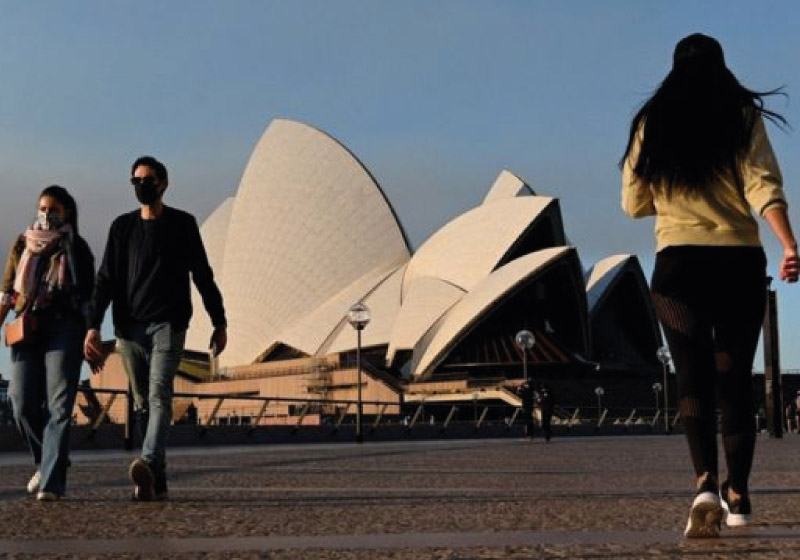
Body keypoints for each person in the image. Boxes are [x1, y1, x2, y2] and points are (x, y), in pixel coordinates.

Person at [621, 33, 799, 538]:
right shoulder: (741, 115)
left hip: (678, 266)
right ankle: (738, 492)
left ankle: (704, 482)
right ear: (724, 68)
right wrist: (789, 245)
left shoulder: (652, 123)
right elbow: (763, 185)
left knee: (692, 380)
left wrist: (678, 200)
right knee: (735, 381)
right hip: (738, 264)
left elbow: (633, 204)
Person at [84, 156, 227, 501]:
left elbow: (203, 275)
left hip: (169, 323)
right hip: (129, 327)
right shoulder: (122, 228)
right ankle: (155, 479)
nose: (141, 185)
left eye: (147, 179)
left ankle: (147, 460)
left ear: (163, 183)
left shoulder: (183, 224)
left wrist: (219, 321)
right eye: (135, 180)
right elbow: (105, 279)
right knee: (142, 404)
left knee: (160, 393)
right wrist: (92, 327)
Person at [0, 186, 95, 501]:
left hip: (64, 329)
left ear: (67, 211)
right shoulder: (21, 243)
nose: (47, 214)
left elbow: (87, 299)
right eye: (42, 208)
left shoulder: (77, 248)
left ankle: (51, 484)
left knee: (59, 406)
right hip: (28, 327)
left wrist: (90, 334)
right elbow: (7, 294)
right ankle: (48, 460)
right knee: (21, 402)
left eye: (53, 208)